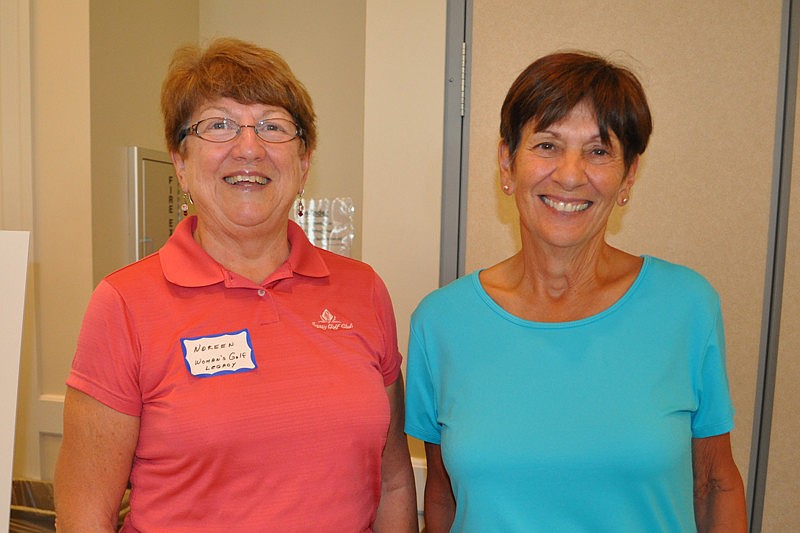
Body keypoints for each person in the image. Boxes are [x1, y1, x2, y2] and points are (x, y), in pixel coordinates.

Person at [54, 38, 417, 532]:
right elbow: (84, 517)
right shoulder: (124, 304)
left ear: (304, 161)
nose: (249, 147)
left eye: (273, 126)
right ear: (180, 162)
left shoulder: (363, 291)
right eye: (219, 125)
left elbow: (394, 481)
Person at [405, 51, 747, 532]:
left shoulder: (687, 306)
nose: (569, 174)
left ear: (628, 176)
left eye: (599, 151)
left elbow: (715, 484)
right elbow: (442, 498)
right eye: (546, 145)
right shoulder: (441, 323)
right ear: (507, 163)